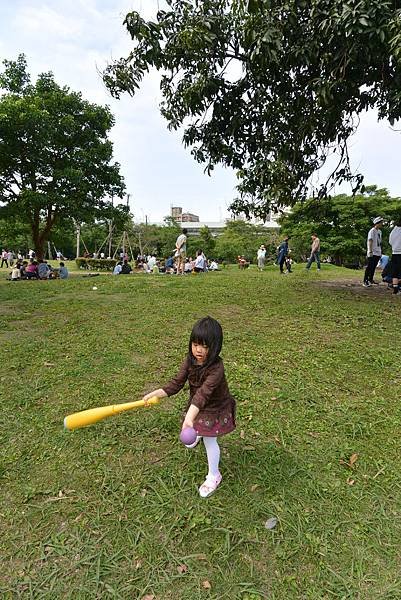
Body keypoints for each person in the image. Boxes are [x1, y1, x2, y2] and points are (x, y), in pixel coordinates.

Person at [142, 316, 236, 498]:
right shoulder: (189, 361)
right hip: (198, 405)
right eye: (195, 344)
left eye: (205, 346)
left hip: (214, 407)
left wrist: (189, 417)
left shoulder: (217, 368)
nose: (198, 350)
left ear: (215, 347)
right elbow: (176, 383)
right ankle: (197, 433)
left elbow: (204, 394)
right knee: (195, 424)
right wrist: (158, 393)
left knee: (210, 440)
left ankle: (214, 476)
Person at [363, 217, 383, 287]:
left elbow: (380, 242)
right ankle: (365, 280)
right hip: (372, 252)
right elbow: (370, 241)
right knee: (369, 267)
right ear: (377, 223)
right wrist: (370, 251)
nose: (382, 224)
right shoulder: (372, 231)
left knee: (374, 267)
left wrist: (380, 252)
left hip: (378, 252)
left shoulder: (380, 232)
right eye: (381, 223)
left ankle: (370, 279)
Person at [389, 217, 401, 295]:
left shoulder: (394, 230)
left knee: (395, 272)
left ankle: (395, 289)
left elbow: (390, 241)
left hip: (394, 253)